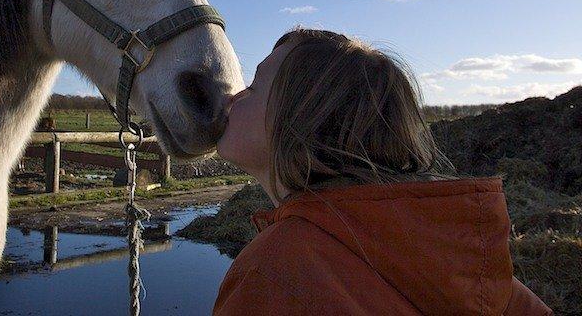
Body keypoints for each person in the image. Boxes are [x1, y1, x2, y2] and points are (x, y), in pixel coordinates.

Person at [214, 29, 550, 315]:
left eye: (253, 87)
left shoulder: (273, 272)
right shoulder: (467, 261)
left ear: (302, 118)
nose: (231, 98)